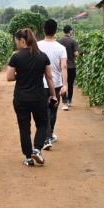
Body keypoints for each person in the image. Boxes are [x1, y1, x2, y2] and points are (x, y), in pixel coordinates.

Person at [7, 28, 57, 166]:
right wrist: (53, 95)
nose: (16, 43)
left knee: (24, 127)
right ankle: (37, 149)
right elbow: (49, 78)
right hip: (39, 97)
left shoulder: (16, 57)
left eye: (16, 41)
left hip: (21, 98)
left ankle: (28, 158)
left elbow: (9, 77)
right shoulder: (43, 56)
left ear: (22, 41)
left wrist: (20, 75)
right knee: (42, 124)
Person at [37, 19, 68, 149]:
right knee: (52, 110)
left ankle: (47, 137)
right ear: (56, 31)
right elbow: (64, 66)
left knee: (43, 111)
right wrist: (65, 85)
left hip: (40, 84)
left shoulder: (37, 46)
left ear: (43, 30)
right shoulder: (61, 48)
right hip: (56, 84)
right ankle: (49, 136)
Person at [57, 24, 80, 110]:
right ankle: (69, 101)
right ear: (70, 31)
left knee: (62, 84)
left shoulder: (59, 41)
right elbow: (76, 54)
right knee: (70, 84)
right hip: (71, 66)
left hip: (61, 67)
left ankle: (64, 101)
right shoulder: (73, 41)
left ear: (63, 31)